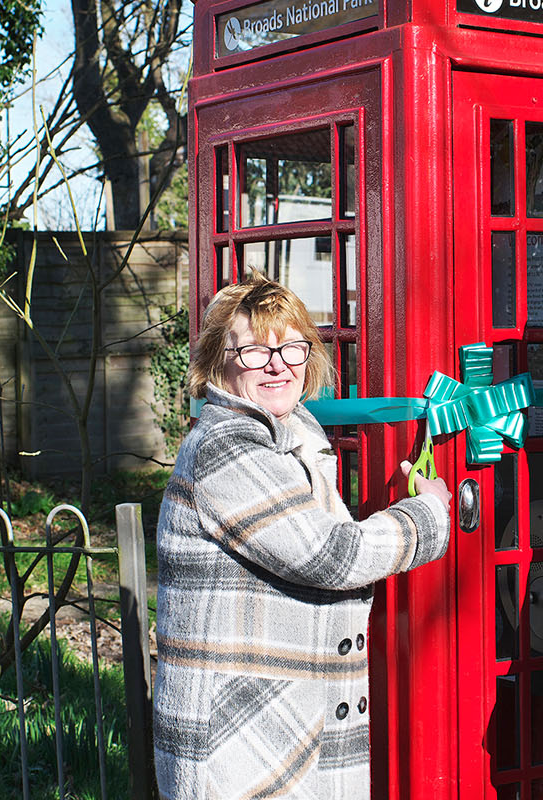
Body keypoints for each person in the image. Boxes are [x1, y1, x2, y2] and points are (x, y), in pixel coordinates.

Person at [153, 276, 452, 800]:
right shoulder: (229, 448)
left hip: (279, 728)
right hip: (238, 744)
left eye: (292, 347)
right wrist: (427, 516)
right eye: (253, 351)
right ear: (217, 362)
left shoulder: (290, 437)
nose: (277, 364)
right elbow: (334, 555)